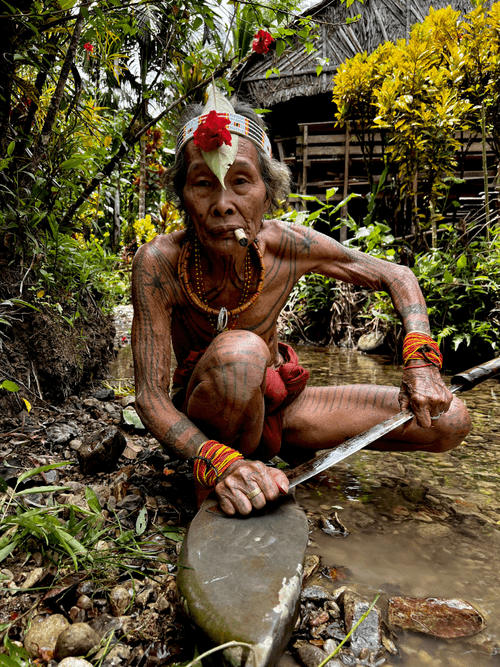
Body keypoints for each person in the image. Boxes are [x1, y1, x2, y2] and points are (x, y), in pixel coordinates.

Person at [131, 86, 471, 517]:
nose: (223, 205)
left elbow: (396, 275)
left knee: (449, 419)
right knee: (241, 353)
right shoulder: (159, 264)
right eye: (203, 184)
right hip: (208, 416)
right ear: (182, 197)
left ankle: (268, 457)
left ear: (268, 192)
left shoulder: (288, 245)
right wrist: (214, 458)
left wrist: (422, 363)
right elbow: (150, 398)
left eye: (241, 182)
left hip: (280, 410)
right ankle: (224, 483)